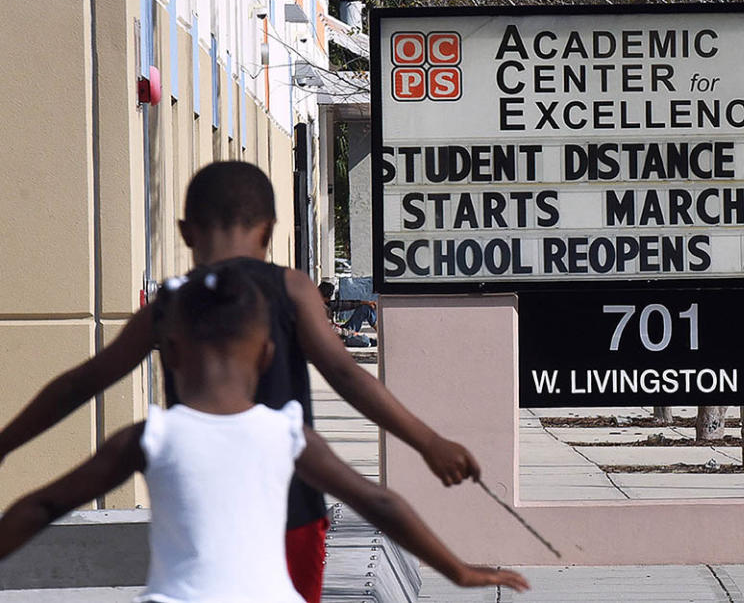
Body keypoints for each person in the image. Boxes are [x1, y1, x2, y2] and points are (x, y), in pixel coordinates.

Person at [0, 161, 481, 603]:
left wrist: (6, 443)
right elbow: (345, 375)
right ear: (269, 231)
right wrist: (428, 441)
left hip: (195, 517)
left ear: (186, 232)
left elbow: (78, 385)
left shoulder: (172, 302)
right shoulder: (290, 288)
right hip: (290, 509)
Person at [318, 281, 377, 348]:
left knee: (365, 308)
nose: (329, 299)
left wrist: (366, 302)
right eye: (328, 297)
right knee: (364, 341)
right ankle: (369, 341)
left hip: (340, 332)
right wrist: (350, 333)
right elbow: (332, 329)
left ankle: (379, 329)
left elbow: (346, 304)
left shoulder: (327, 304)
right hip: (332, 338)